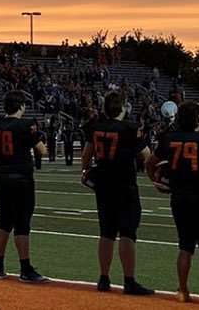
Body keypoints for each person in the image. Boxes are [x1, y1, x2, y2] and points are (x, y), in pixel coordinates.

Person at [146, 102, 199, 307]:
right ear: (197, 118)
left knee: (185, 244)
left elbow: (149, 163)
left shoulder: (169, 138)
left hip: (180, 198)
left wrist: (157, 183)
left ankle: (182, 290)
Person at [80, 91, 154, 295]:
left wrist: (86, 172)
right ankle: (129, 281)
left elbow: (86, 157)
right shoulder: (129, 127)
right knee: (128, 233)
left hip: (103, 184)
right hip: (124, 184)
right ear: (123, 107)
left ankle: (103, 279)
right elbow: (146, 156)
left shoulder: (95, 127)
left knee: (106, 232)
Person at [0, 90, 47, 282]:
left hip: (1, 177)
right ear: (21, 106)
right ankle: (25, 268)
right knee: (22, 223)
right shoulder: (25, 124)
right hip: (21, 178)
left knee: (3, 221)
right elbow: (41, 151)